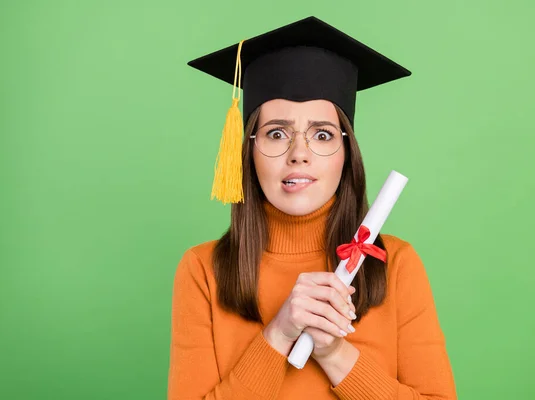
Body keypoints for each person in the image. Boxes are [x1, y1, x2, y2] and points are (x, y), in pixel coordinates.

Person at [167, 16, 457, 400]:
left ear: (346, 153)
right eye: (276, 133)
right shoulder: (203, 270)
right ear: (248, 151)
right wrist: (280, 332)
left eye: (322, 134)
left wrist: (335, 352)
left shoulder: (396, 264)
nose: (299, 154)